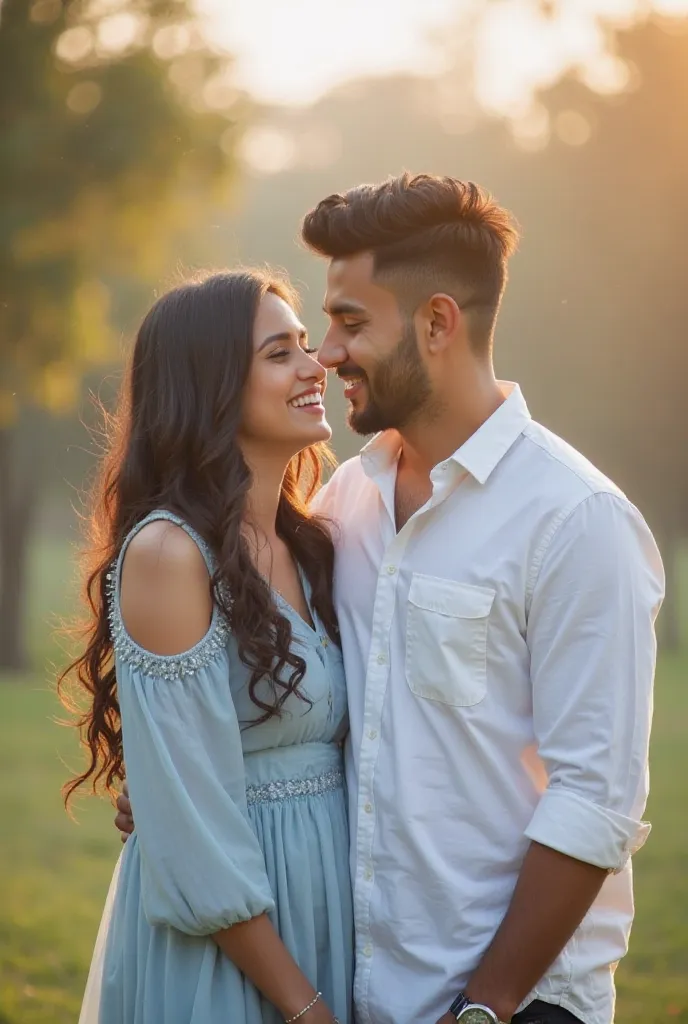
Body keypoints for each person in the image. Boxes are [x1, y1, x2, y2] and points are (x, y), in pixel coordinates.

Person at [116, 174, 664, 1024]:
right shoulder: (343, 509)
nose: (326, 355)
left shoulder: (576, 521)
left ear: (437, 323)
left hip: (512, 999)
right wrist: (174, 785)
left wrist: (486, 1004)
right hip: (358, 976)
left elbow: (595, 800)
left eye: (348, 323)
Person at [61, 269, 353, 1024]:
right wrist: (304, 1007)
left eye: (304, 345)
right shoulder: (168, 554)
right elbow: (191, 827)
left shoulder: (311, 541)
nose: (314, 364)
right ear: (212, 383)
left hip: (328, 911)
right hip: (233, 954)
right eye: (279, 352)